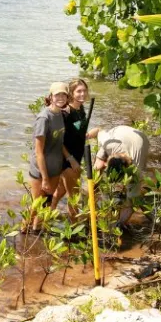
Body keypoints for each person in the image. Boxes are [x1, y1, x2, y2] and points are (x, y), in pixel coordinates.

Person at [27, 82, 75, 232]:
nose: (60, 97)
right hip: (40, 171)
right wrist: (45, 178)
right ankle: (24, 231)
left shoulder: (61, 115)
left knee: (47, 205)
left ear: (67, 97)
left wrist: (70, 158)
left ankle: (37, 232)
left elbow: (58, 142)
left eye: (63, 95)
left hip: (55, 168)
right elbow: (38, 152)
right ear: (50, 97)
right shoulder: (44, 118)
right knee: (36, 206)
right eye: (57, 95)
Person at [52, 78, 99, 220]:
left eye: (84, 90)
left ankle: (43, 219)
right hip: (67, 160)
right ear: (71, 93)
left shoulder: (81, 109)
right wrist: (71, 159)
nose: (82, 94)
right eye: (78, 91)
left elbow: (76, 133)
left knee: (59, 192)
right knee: (74, 197)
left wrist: (90, 135)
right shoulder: (66, 113)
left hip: (76, 156)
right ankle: (75, 229)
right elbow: (58, 140)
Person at [94, 125, 150, 223]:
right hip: (118, 133)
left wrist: (118, 225)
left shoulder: (135, 171)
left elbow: (131, 205)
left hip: (141, 140)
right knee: (96, 169)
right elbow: (98, 130)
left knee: (132, 197)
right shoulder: (108, 144)